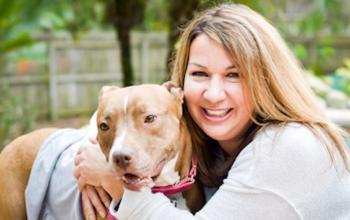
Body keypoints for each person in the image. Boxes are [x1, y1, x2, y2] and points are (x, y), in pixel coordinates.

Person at [74, 3, 350, 219]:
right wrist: (96, 145)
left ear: (267, 79)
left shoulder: (287, 146)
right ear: (181, 84)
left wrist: (115, 182)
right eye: (199, 73)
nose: (214, 94)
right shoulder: (211, 143)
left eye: (234, 74)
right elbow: (123, 113)